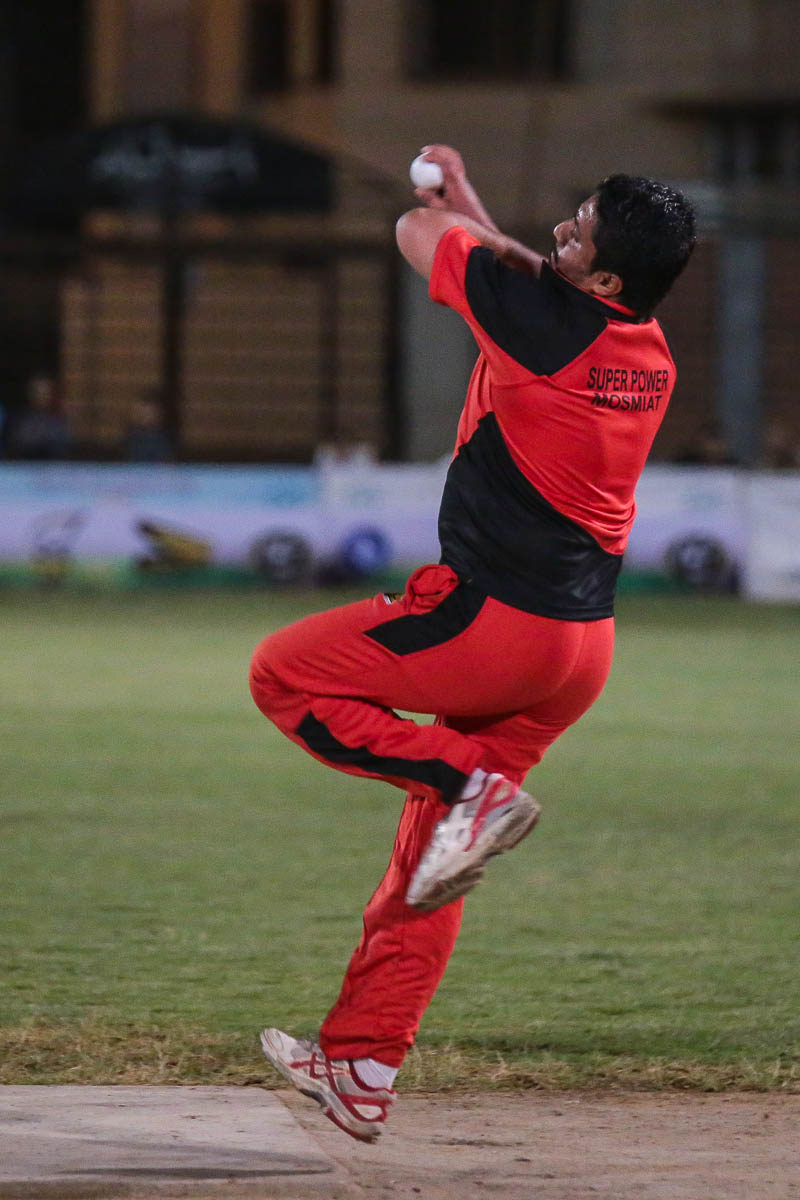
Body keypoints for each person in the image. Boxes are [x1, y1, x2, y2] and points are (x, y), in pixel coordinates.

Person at [250, 145, 697, 1142]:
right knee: (433, 863)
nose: (560, 232)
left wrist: (437, 208)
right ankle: (362, 1064)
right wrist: (475, 210)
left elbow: (417, 233)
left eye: (579, 233)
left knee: (284, 675)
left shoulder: (543, 323)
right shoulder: (643, 341)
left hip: (493, 627)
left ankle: (468, 786)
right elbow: (533, 279)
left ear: (606, 279)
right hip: (579, 650)